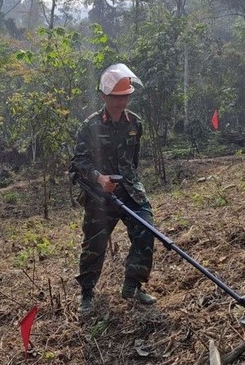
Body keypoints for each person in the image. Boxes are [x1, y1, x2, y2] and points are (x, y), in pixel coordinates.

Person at [70, 63, 156, 314]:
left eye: (126, 96)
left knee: (146, 229)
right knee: (94, 245)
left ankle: (133, 286)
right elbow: (78, 162)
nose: (122, 102)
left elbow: (133, 160)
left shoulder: (135, 124)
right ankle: (86, 293)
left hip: (130, 190)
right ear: (103, 97)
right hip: (100, 195)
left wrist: (127, 181)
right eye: (116, 97)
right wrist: (99, 178)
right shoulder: (91, 125)